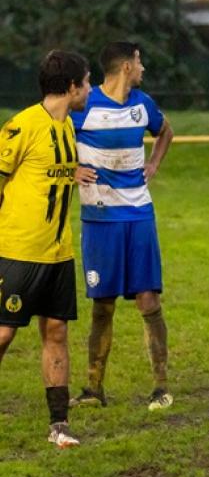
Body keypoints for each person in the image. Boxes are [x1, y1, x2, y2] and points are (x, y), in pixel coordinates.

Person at [69, 42, 175, 411]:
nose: (143, 67)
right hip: (99, 220)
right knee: (103, 304)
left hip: (138, 215)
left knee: (148, 300)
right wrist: (71, 170)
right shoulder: (84, 107)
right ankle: (94, 388)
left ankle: (161, 387)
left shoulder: (142, 105)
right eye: (139, 60)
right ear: (126, 66)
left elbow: (166, 132)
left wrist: (154, 165)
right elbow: (54, 146)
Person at [0, 50, 90, 447]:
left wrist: (73, 173)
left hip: (58, 254)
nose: (89, 89)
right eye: (86, 82)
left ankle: (60, 425)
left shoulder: (67, 126)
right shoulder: (22, 126)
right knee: (3, 335)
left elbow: (45, 169)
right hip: (20, 251)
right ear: (71, 87)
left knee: (56, 332)